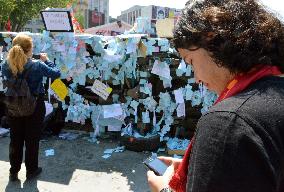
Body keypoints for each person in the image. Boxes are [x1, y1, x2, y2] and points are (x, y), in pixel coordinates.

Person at [147, 0, 284, 191]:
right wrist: (205, 167)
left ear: (211, 39)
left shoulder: (228, 123)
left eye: (191, 61)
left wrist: (164, 189)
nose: (196, 78)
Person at [1, 34, 61, 181]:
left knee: (15, 139)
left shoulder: (5, 65)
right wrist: (47, 61)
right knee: (32, 140)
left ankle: (14, 171)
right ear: (29, 49)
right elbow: (56, 74)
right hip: (34, 106)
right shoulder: (37, 65)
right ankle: (31, 170)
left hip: (13, 105)